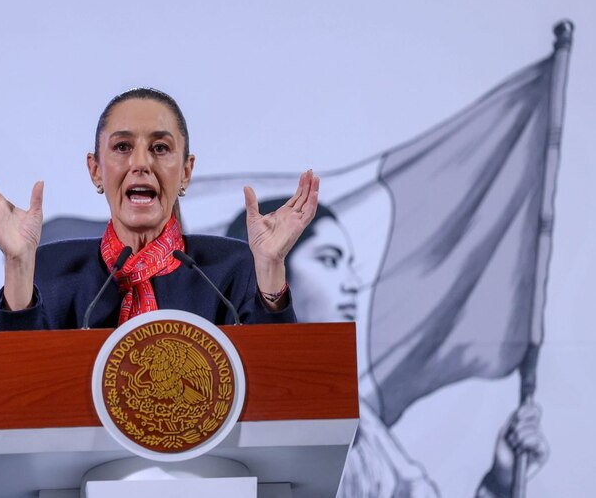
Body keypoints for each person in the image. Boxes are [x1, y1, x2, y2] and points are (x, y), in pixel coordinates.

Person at [228, 200, 550, 498]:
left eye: (349, 264)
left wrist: (498, 482)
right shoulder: (220, 400)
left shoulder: (360, 421)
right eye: (329, 260)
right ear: (266, 270)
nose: (352, 283)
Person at [0, 87, 317, 330]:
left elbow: (274, 385)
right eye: (122, 147)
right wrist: (18, 264)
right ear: (96, 170)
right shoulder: (51, 270)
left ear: (186, 172)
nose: (141, 163)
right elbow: (19, 386)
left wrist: (270, 267)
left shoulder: (232, 269)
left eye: (160, 148)